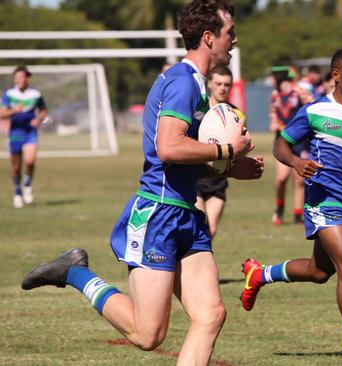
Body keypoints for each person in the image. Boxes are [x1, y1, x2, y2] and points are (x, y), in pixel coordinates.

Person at [21, 2, 264, 365]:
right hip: (159, 216)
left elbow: (182, 162)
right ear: (209, 37)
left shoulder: (196, 86)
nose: (235, 39)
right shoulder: (183, 83)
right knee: (148, 334)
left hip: (186, 216)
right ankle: (74, 272)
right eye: (230, 32)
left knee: (211, 315)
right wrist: (228, 148)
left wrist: (229, 169)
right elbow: (168, 148)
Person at [240, 48, 342, 366]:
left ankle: (259, 274)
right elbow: (280, 144)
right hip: (324, 201)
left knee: (320, 271)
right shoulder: (314, 111)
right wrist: (297, 161)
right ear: (336, 76)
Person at [195, 66, 245, 238]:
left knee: (211, 231)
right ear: (209, 84)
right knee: (201, 227)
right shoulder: (198, 111)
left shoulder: (236, 114)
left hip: (219, 182)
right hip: (197, 180)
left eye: (227, 84)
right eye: (218, 83)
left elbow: (241, 146)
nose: (223, 88)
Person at [269, 65, 314, 225]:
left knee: (299, 179)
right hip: (281, 139)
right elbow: (273, 112)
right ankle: (279, 208)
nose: (272, 79)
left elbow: (313, 105)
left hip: (300, 141)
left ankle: (297, 215)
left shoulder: (298, 90)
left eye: (273, 76)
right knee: (281, 178)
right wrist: (274, 122)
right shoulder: (275, 94)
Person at [0, 65, 48, 208]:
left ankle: (27, 184)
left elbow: (44, 111)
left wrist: (38, 120)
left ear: (27, 78)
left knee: (30, 160)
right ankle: (17, 193)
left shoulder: (35, 94)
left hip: (30, 131)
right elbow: (2, 114)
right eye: (16, 78)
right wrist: (14, 110)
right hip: (15, 132)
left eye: (21, 77)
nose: (19, 80)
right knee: (16, 165)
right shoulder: (9, 94)